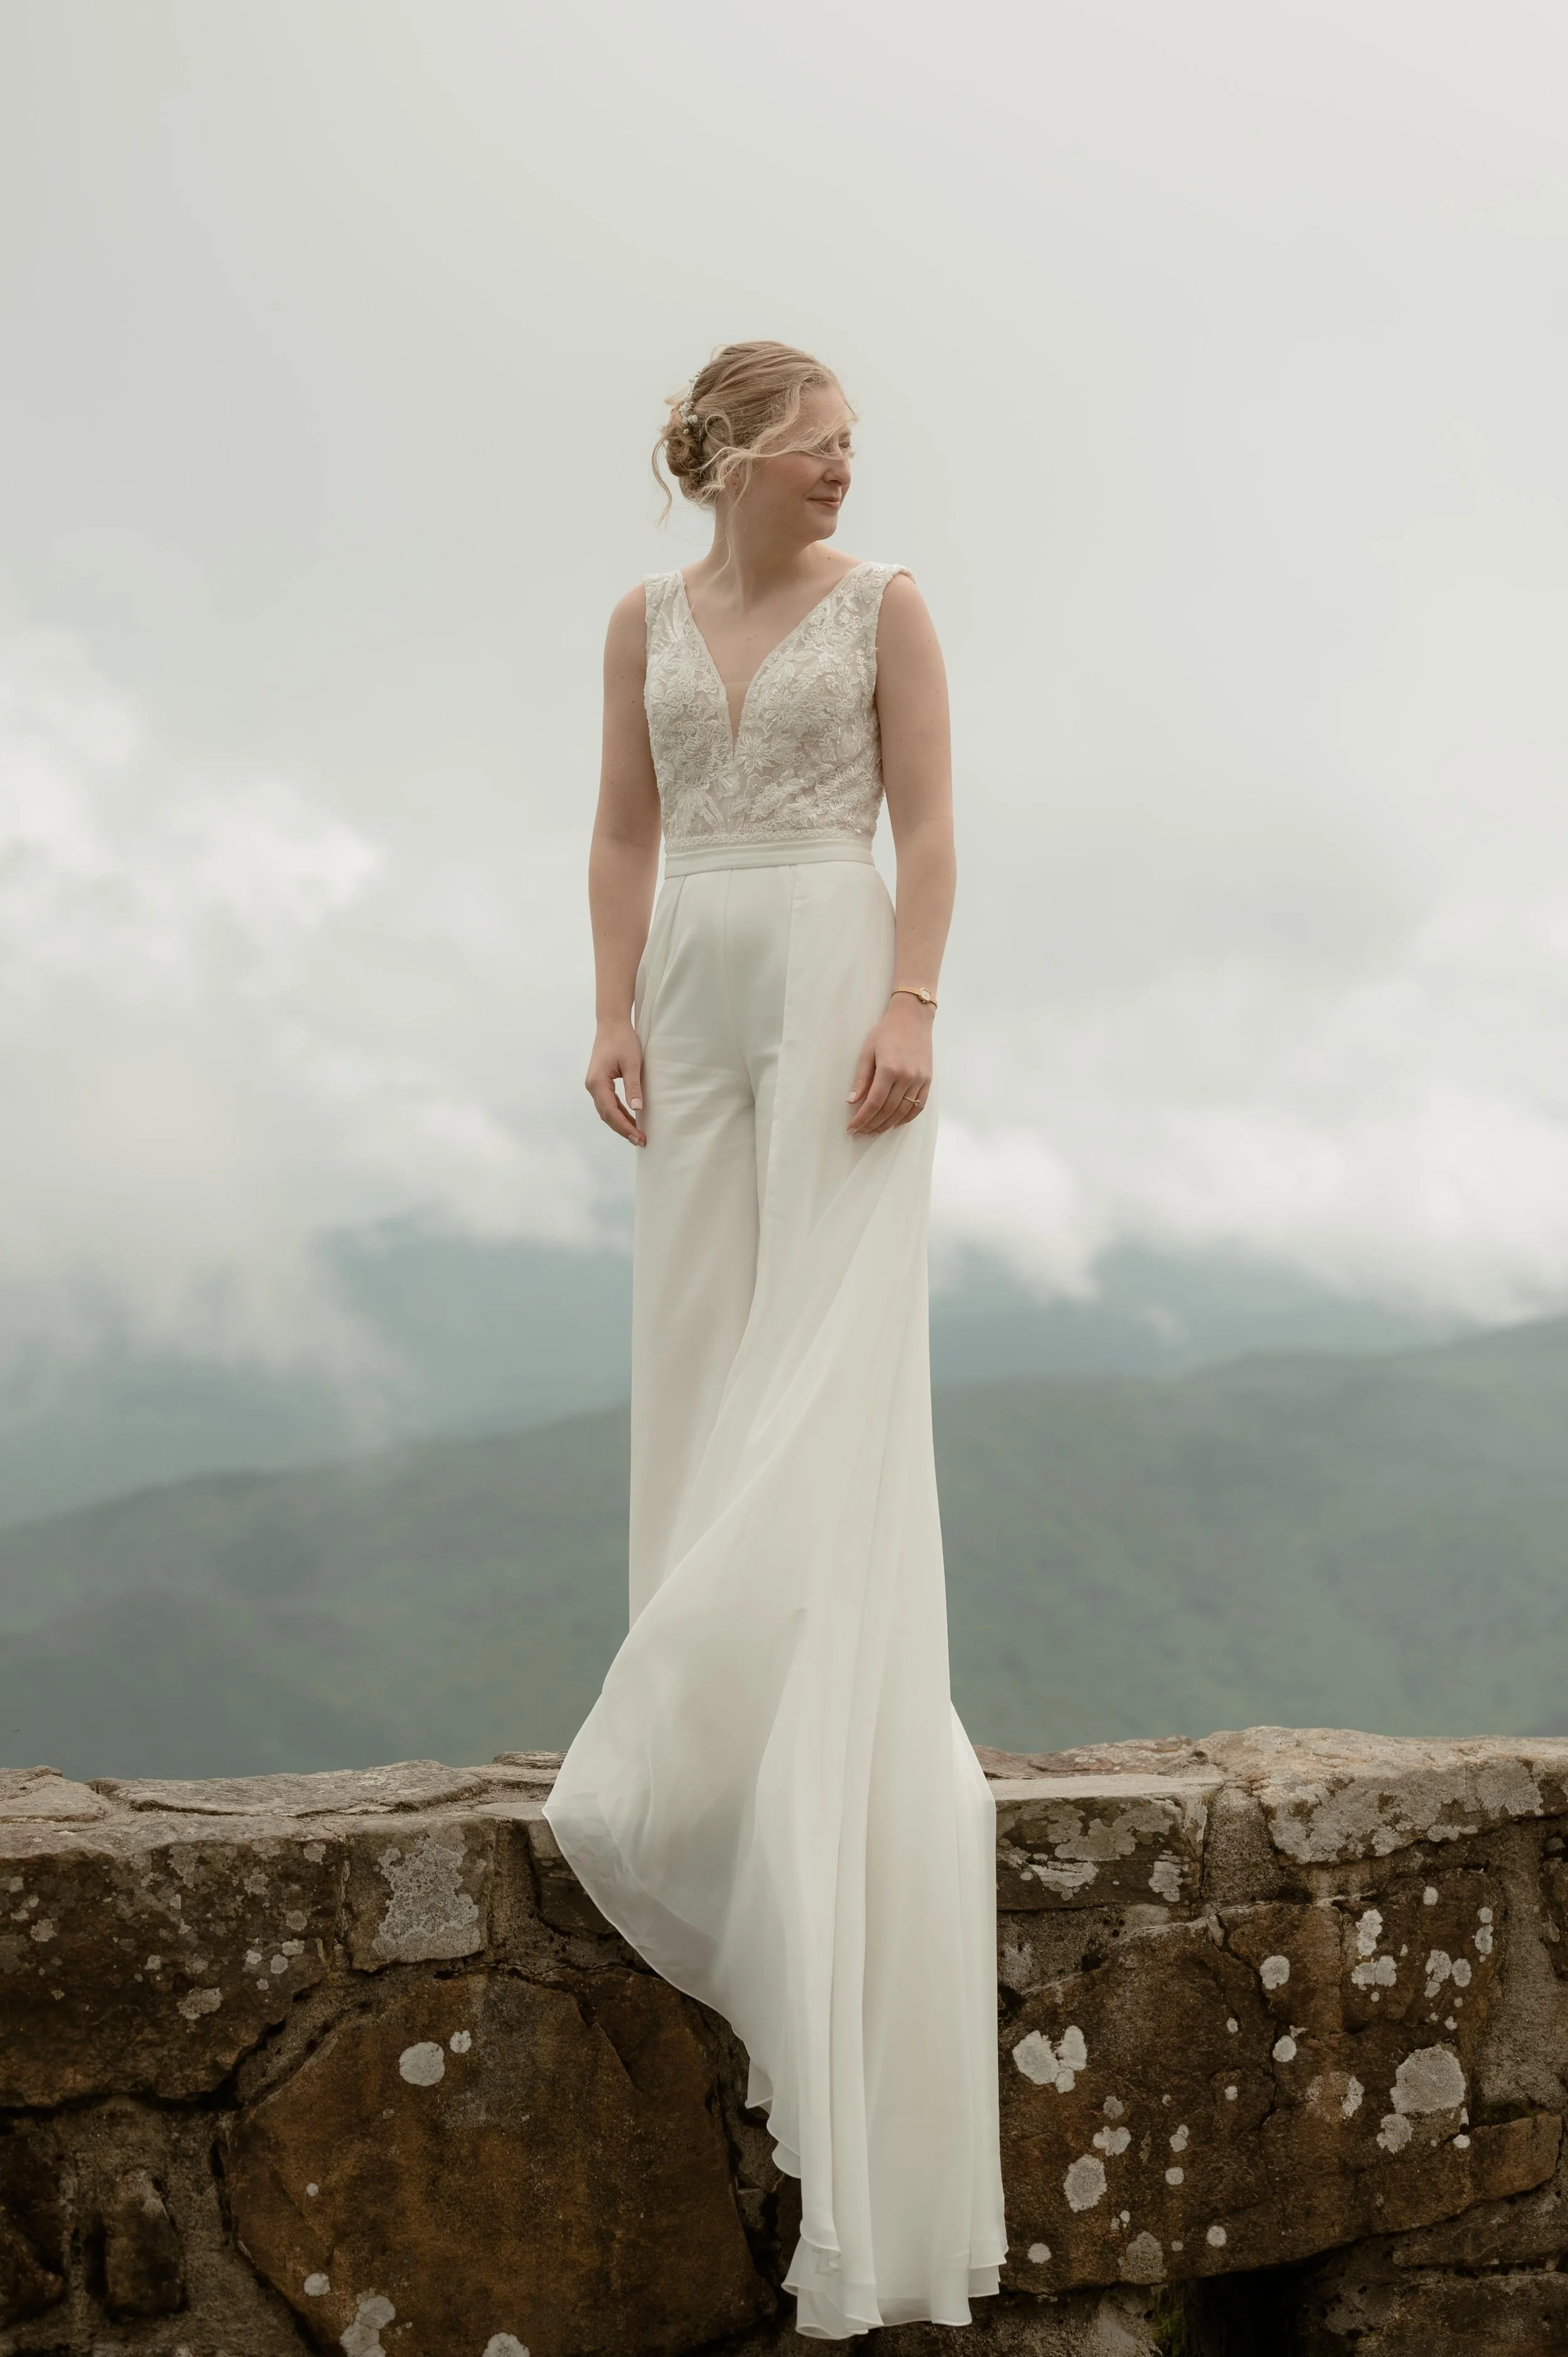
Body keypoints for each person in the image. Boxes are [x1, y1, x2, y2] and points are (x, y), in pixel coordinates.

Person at [543, 341, 1006, 2338]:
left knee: (819, 1368)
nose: (843, 471)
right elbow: (622, 827)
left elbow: (930, 823)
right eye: (819, 443)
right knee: (706, 1347)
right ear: (727, 453)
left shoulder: (886, 604)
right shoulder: (642, 618)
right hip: (693, 983)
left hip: (828, 971)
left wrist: (911, 1005)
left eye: (848, 450)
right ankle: (703, 1725)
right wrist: (610, 1005)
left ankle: (785, 1740)